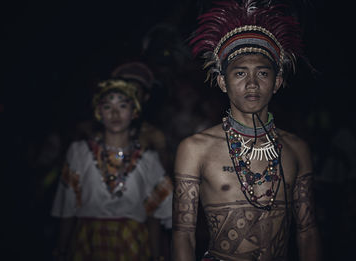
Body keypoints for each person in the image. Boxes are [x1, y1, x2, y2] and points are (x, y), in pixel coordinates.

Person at [172, 1, 322, 261]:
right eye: (240, 73)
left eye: (262, 73)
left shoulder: (296, 148)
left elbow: (307, 232)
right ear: (222, 82)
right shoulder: (195, 149)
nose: (251, 84)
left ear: (277, 82)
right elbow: (183, 234)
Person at [51, 79, 172, 261]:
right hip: (88, 243)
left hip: (132, 244)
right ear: (99, 112)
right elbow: (68, 208)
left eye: (123, 106)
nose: (115, 113)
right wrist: (61, 250)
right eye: (107, 107)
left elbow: (154, 214)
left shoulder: (148, 160)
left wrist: (157, 257)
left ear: (134, 112)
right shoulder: (79, 152)